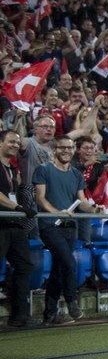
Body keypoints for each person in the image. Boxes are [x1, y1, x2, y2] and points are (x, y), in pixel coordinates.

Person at [33, 135, 105, 324]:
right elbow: (40, 198)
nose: (66, 151)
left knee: (59, 268)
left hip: (69, 227)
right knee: (69, 263)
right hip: (50, 225)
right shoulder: (43, 169)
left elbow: (81, 201)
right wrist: (57, 212)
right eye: (62, 147)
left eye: (69, 147)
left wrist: (94, 209)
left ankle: (50, 313)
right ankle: (72, 301)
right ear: (54, 150)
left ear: (74, 150)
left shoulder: (76, 174)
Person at [0, 130, 36, 327]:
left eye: (17, 142)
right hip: (2, 222)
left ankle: (20, 315)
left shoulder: (12, 169)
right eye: (11, 142)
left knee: (24, 266)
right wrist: (17, 207)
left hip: (14, 223)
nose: (15, 145)